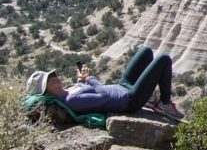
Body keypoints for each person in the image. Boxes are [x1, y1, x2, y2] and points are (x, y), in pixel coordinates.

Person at [25, 46, 183, 120]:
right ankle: (165, 103)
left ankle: (149, 98)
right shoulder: (71, 100)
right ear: (46, 89)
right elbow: (103, 96)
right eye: (50, 79)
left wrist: (80, 80)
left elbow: (97, 91)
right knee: (163, 59)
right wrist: (89, 79)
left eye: (53, 75)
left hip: (121, 86)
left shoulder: (69, 90)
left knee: (146, 51)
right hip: (130, 99)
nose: (55, 77)